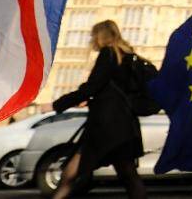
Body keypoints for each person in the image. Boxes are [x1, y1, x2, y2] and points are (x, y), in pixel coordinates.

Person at [48, 20, 146, 199]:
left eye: (93, 36)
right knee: (129, 175)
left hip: (105, 127)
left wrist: (57, 104)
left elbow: (91, 87)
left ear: (101, 36)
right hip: (124, 126)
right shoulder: (129, 57)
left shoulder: (108, 54)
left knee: (70, 174)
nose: (91, 40)